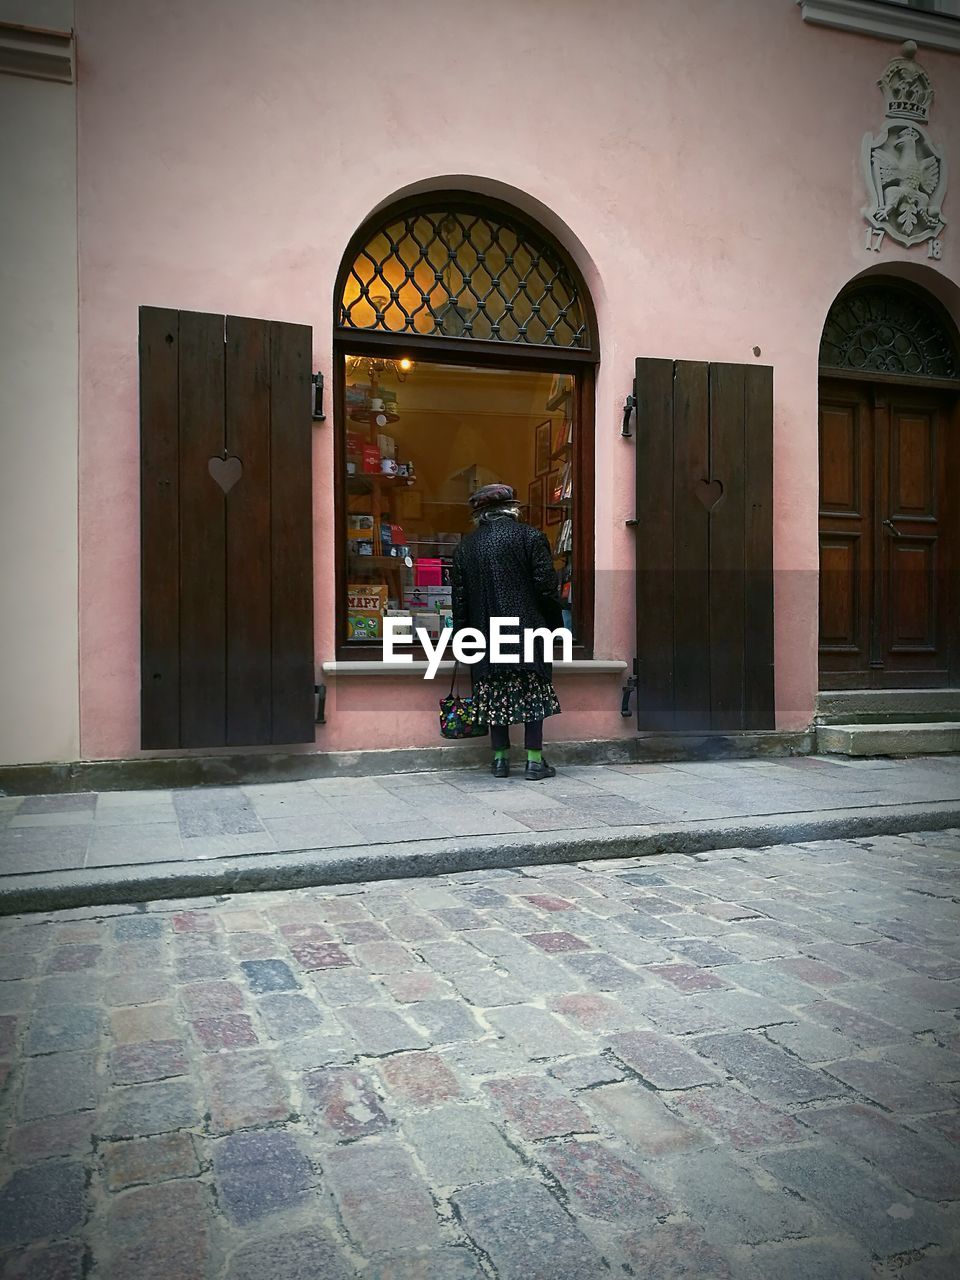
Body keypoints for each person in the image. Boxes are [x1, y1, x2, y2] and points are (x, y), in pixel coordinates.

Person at [451, 482, 564, 780]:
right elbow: (546, 589)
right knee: (532, 692)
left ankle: (500, 760)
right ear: (512, 508)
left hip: (485, 635)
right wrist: (556, 626)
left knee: (494, 692)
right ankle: (534, 761)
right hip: (527, 630)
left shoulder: (465, 548)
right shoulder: (530, 537)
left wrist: (462, 637)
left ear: (479, 514)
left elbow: (460, 601)